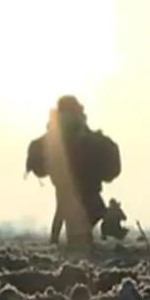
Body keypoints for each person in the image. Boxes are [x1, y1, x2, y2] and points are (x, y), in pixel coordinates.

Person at [46, 95, 104, 250]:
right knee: (86, 207)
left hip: (64, 174)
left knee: (64, 208)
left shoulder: (57, 122)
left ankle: (62, 239)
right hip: (75, 175)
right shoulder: (75, 122)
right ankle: (75, 239)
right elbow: (82, 142)